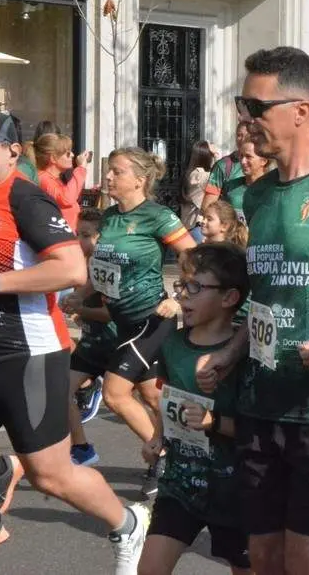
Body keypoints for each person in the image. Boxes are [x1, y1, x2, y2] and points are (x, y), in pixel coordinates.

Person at [194, 47, 309, 575]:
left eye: (256, 105)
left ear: (301, 110)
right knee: (264, 561)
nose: (246, 119)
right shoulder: (258, 195)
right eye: (241, 105)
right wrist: (231, 350)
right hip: (261, 402)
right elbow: (266, 295)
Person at [0, 110, 149, 568]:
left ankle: (129, 523)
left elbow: (71, 270)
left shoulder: (24, 199)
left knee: (51, 476)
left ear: (13, 151)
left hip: (25, 354)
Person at [90, 147, 198, 497]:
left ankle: (162, 453)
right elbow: (102, 266)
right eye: (108, 171)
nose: (108, 177)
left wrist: (179, 299)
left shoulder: (157, 216)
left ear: (140, 179)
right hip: (121, 321)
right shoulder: (108, 217)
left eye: (116, 172)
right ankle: (190, 455)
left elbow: (196, 258)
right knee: (153, 397)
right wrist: (82, 293)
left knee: (115, 393)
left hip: (151, 320)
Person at [138, 243, 251, 575]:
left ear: (230, 298)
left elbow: (255, 430)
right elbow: (169, 399)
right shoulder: (173, 343)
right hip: (180, 483)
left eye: (195, 287)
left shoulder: (242, 356)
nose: (183, 295)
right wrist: (157, 437)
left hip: (233, 490)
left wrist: (212, 422)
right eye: (182, 285)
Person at [61, 207, 118, 467]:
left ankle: (161, 453)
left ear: (101, 238)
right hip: (91, 345)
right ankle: (81, 447)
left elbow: (110, 314)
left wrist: (80, 309)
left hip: (119, 343)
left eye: (86, 235)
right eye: (77, 233)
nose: (79, 240)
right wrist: (79, 313)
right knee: (61, 390)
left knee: (140, 401)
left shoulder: (109, 266)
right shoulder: (79, 264)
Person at [34, 132, 91, 230]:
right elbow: (66, 199)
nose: (73, 155)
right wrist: (81, 168)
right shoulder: (43, 178)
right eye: (68, 153)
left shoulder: (54, 179)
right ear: (53, 158)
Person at [203, 121, 250, 212]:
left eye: (248, 135)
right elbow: (207, 206)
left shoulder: (267, 162)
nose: (243, 139)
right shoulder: (223, 166)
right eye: (239, 135)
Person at [221, 140, 271, 224]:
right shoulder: (230, 186)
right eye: (241, 156)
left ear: (263, 160)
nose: (243, 161)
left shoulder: (273, 189)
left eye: (248, 156)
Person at [180, 140, 215, 243]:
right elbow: (219, 177)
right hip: (197, 227)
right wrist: (216, 155)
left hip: (190, 226)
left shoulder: (191, 173)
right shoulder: (200, 175)